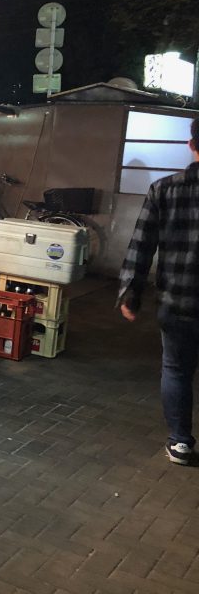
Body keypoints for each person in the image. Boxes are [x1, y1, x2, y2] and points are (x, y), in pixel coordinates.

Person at [119, 117, 199, 466]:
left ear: (191, 145)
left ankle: (181, 443)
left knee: (177, 370)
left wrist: (130, 293)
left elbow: (141, 245)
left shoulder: (165, 189)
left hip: (177, 301)